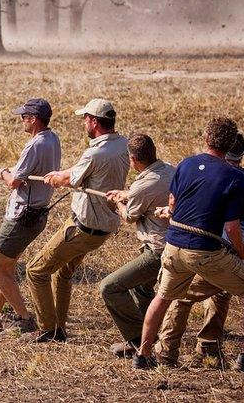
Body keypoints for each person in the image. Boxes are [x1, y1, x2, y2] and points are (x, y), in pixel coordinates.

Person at [134, 118, 244, 373]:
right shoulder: (234, 176)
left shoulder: (185, 164)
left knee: (162, 297)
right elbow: (232, 228)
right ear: (230, 147)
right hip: (205, 253)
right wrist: (243, 254)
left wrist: (171, 212)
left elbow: (173, 203)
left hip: (173, 246)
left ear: (205, 138)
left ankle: (143, 354)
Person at [29, 98, 129, 342]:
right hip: (104, 228)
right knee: (63, 273)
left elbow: (72, 179)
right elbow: (79, 173)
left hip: (82, 228)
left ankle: (48, 328)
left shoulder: (94, 153)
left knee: (36, 271)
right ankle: (59, 328)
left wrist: (57, 178)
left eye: (85, 118)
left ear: (94, 122)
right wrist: (62, 174)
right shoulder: (122, 144)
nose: (83, 122)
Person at [0, 98, 61, 334]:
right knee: (6, 267)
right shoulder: (52, 139)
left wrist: (0, 171)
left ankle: (24, 318)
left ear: (33, 119)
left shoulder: (34, 145)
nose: (21, 120)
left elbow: (14, 182)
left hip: (22, 215)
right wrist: (4, 171)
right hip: (37, 214)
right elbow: (26, 172)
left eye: (24, 117)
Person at [98, 133, 175, 357]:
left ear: (133, 160)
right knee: (142, 287)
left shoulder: (143, 186)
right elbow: (149, 191)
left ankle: (137, 341)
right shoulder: (169, 170)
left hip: (157, 251)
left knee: (110, 287)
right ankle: (150, 337)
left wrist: (117, 203)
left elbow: (130, 216)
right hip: (173, 245)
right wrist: (126, 193)